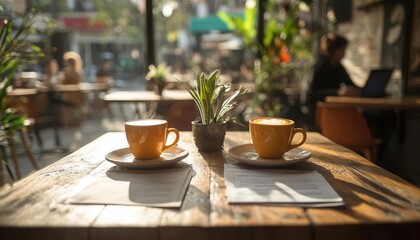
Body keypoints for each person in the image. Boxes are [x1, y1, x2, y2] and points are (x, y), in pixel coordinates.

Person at [305, 33, 361, 129]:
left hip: (335, 111)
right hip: (318, 114)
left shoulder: (338, 67)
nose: (344, 53)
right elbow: (311, 94)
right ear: (336, 50)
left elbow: (350, 84)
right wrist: (337, 92)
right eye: (343, 50)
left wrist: (360, 90)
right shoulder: (320, 66)